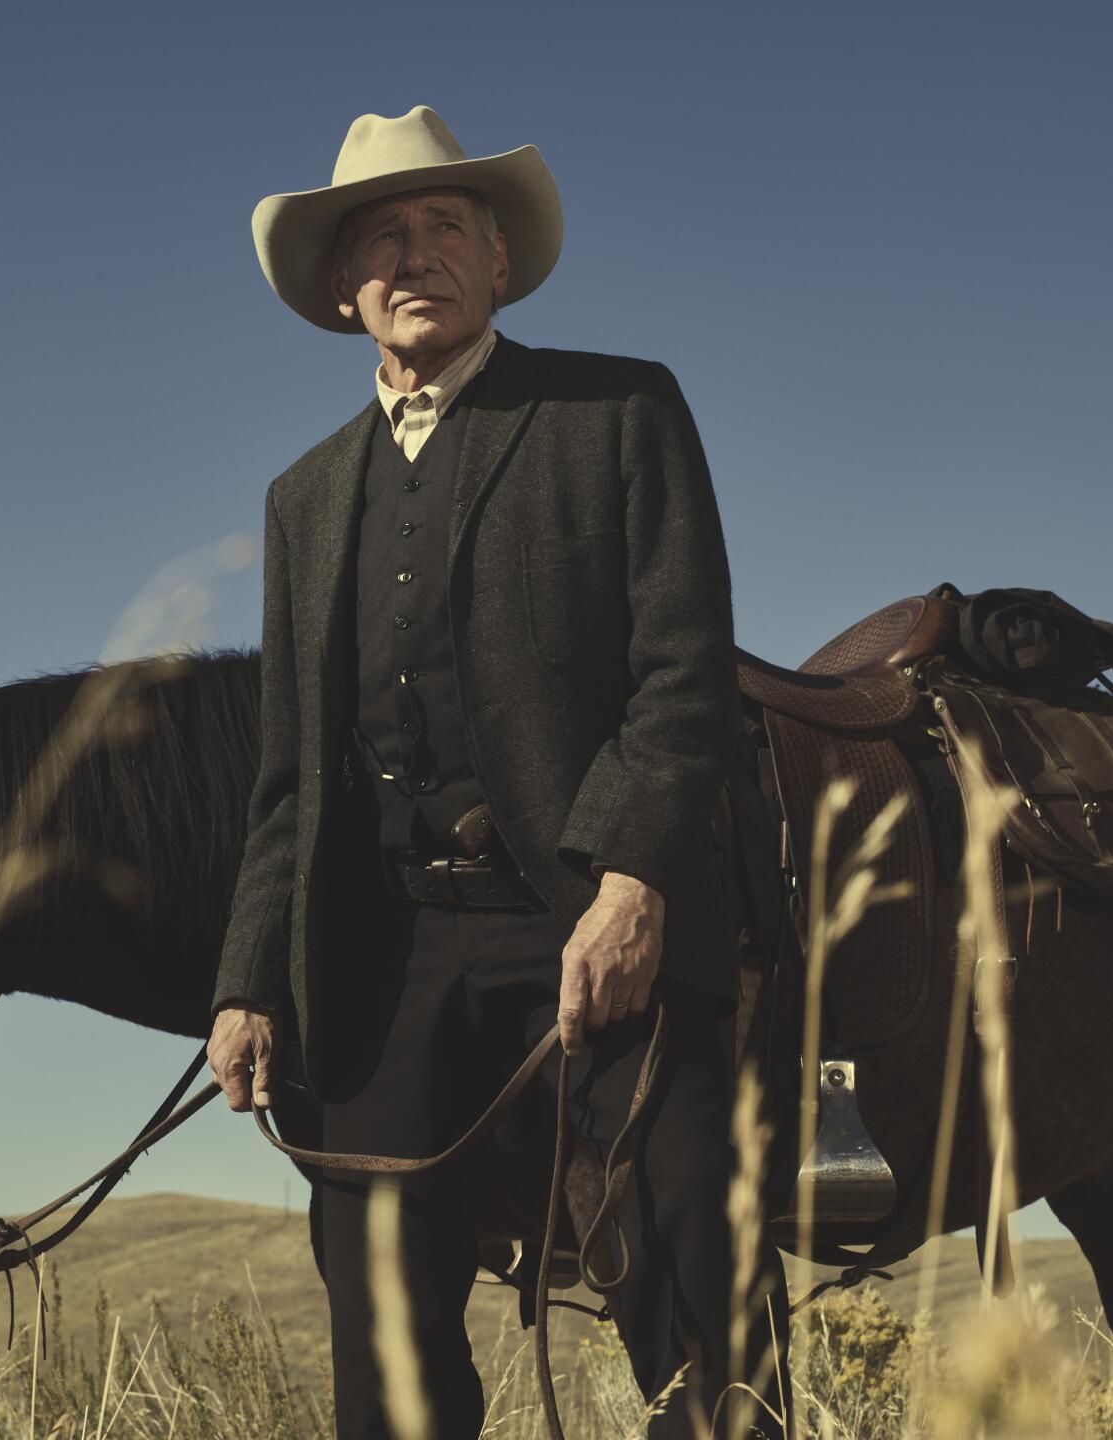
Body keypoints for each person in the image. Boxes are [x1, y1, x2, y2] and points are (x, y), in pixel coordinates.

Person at [207, 105, 788, 1438]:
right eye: (382, 239)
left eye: (444, 228)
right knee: (381, 1342)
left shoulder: (617, 410)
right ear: (345, 290)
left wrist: (632, 882)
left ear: (499, 262)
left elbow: (684, 673)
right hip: (389, 945)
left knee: (695, 1287)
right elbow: (291, 778)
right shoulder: (303, 499)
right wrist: (248, 981)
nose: (415, 257)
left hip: (585, 910)